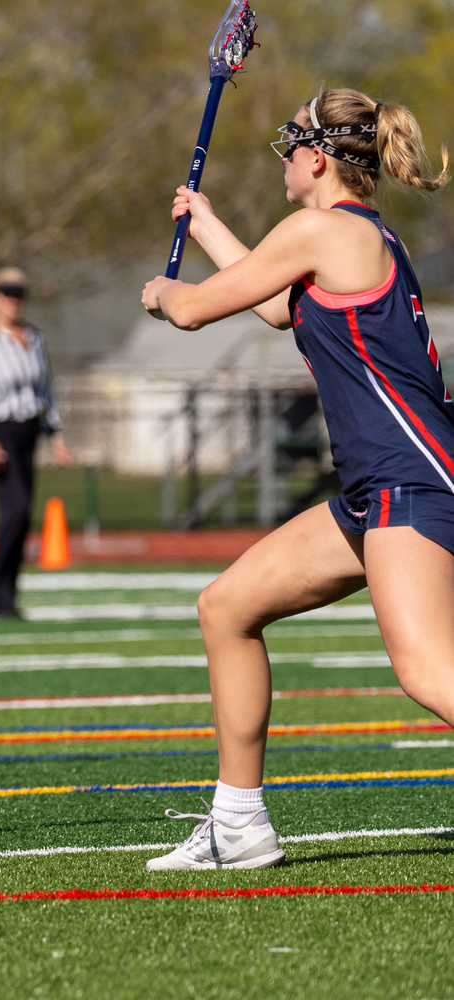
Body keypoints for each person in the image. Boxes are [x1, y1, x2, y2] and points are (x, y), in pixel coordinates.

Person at [140, 88, 454, 870]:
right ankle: (238, 825)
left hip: (408, 480)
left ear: (317, 157)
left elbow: (192, 312)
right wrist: (206, 222)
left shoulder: (320, 228)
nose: (283, 160)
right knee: (227, 608)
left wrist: (166, 294)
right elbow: (279, 306)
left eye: (290, 146)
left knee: (425, 671)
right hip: (373, 490)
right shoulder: (345, 235)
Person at [0, 267, 72, 617]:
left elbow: (44, 390)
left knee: (23, 518)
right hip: (0, 432)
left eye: (19, 292)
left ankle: (8, 595)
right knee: (15, 509)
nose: (13, 299)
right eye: (6, 292)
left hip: (28, 432)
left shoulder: (33, 338)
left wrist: (55, 434)